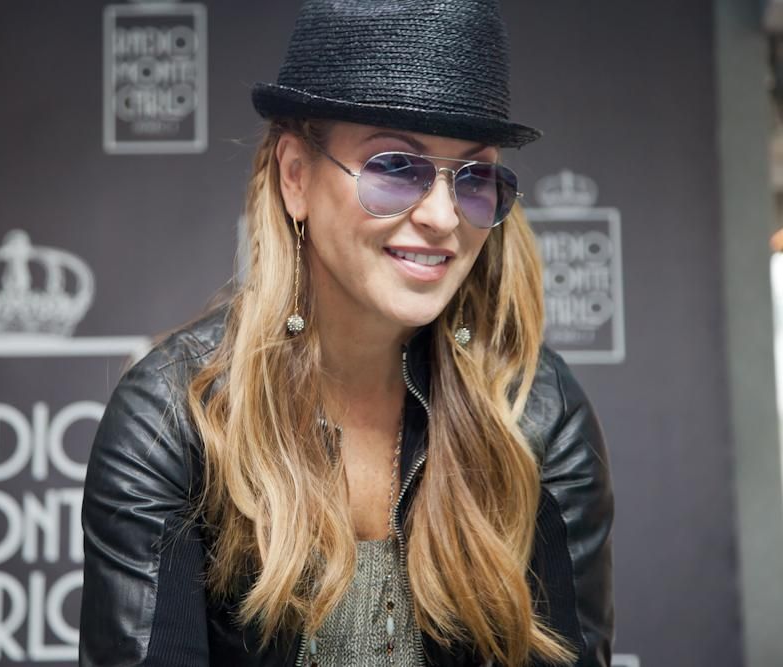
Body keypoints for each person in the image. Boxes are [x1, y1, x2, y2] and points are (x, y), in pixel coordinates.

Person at [79, 1, 615, 665]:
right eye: (395, 167)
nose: (444, 216)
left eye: (474, 177)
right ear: (296, 177)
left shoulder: (534, 413)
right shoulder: (174, 418)